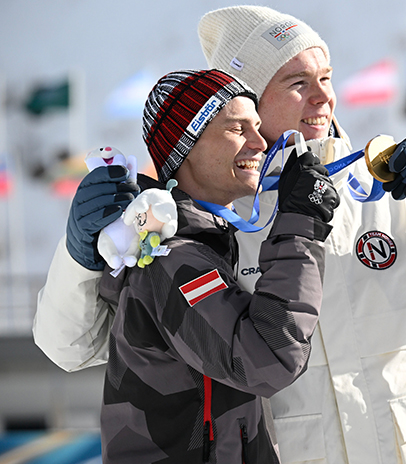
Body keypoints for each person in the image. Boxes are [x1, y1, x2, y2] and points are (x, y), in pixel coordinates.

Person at [34, 6, 406, 464]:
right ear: (251, 99)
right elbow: (71, 347)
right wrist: (81, 255)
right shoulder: (206, 222)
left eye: (326, 78)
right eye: (298, 83)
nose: (323, 96)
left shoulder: (383, 184)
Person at [97, 69, 337, 462]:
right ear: (185, 145)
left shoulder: (197, 244)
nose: (260, 143)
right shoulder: (172, 258)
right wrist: (301, 225)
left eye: (257, 127)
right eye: (237, 129)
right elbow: (270, 361)